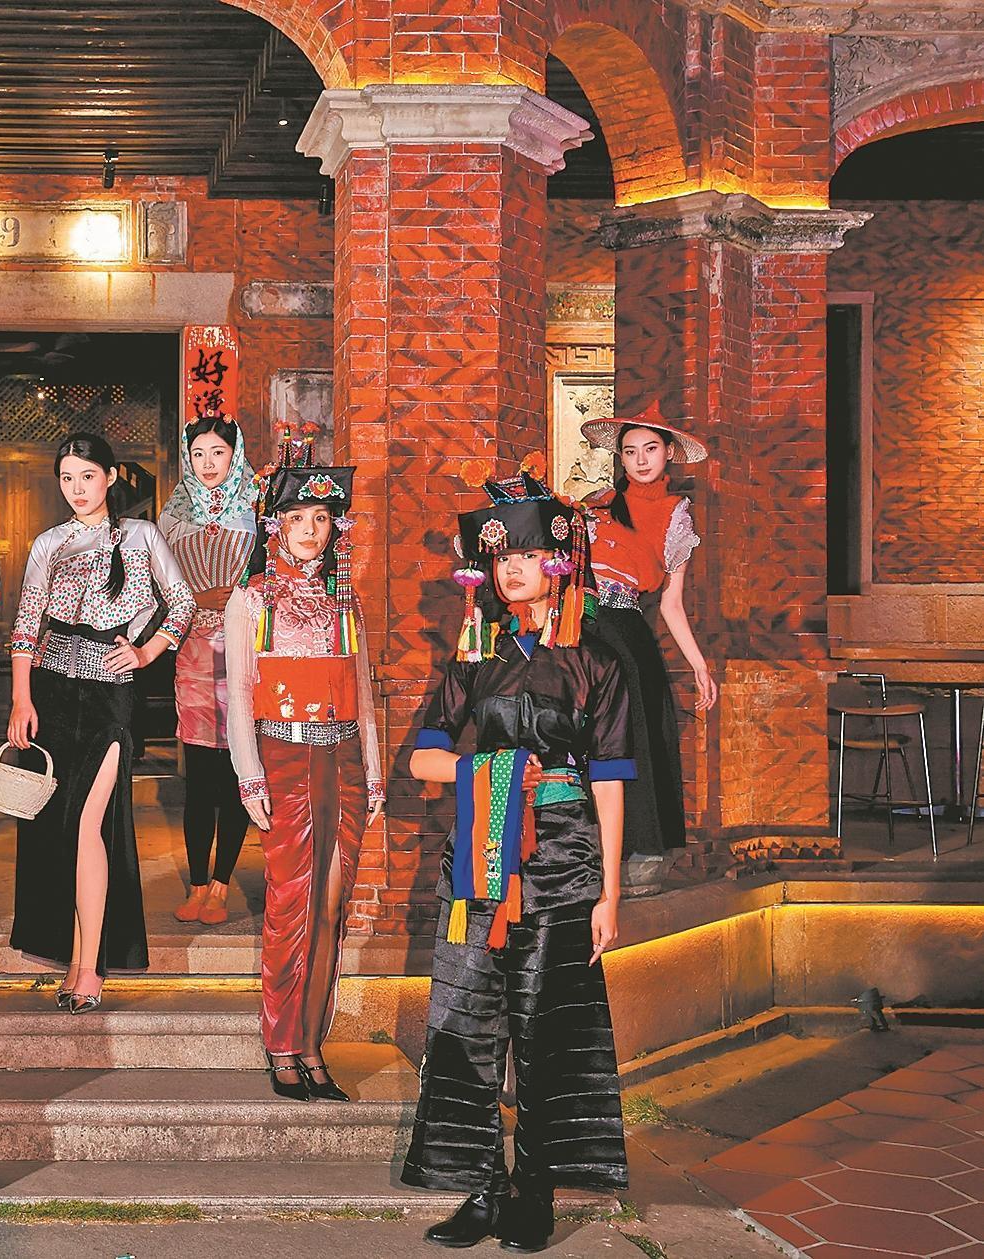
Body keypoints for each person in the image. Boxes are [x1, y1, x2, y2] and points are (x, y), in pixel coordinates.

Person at [401, 457, 632, 1253]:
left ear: (558, 562)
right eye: (502, 558)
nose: (512, 571)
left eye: (528, 556)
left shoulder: (598, 660)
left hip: (563, 858)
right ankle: (481, 1186)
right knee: (469, 1019)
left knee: (542, 1024)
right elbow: (423, 758)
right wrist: (489, 768)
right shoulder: (477, 655)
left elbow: (610, 782)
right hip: (478, 852)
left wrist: (609, 893)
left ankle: (535, 1187)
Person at [7, 433, 195, 1012]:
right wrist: (20, 700)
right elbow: (26, 625)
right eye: (67, 478)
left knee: (90, 824)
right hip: (51, 693)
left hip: (112, 695)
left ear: (111, 477)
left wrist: (146, 652)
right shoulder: (48, 543)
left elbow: (183, 602)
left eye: (87, 476)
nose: (77, 488)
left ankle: (90, 967)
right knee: (58, 830)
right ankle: (71, 958)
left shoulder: (142, 535)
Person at [222, 430, 383, 1102]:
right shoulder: (252, 600)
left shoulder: (346, 601)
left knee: (332, 905)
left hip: (342, 758)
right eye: (298, 518)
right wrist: (249, 775)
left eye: (321, 518)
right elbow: (238, 695)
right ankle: (282, 1043)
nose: (311, 530)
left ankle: (313, 1043)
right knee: (291, 902)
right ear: (275, 525)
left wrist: (374, 770)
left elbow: (364, 693)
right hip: (283, 758)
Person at [579, 401, 715, 858]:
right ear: (620, 457)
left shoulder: (677, 514)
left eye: (650, 449)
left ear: (668, 452)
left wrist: (699, 666)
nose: (640, 459)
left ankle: (634, 851)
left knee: (631, 732)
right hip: (578, 624)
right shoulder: (595, 504)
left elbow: (672, 605)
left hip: (626, 631)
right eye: (630, 451)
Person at [158, 415, 259, 927]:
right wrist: (198, 597)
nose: (207, 463)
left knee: (238, 770)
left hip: (246, 649)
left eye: (218, 452)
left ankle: (221, 885)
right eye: (198, 453)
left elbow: (273, 575)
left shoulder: (258, 506)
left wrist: (239, 598)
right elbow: (156, 584)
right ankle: (197, 884)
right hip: (194, 651)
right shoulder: (172, 512)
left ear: (234, 454)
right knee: (199, 776)